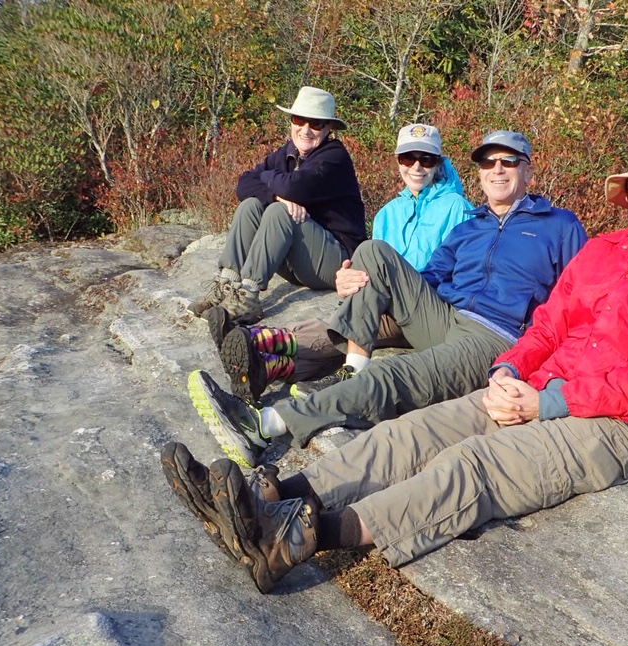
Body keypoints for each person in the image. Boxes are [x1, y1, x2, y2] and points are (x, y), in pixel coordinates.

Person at [160, 135, 628, 593]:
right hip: (534, 384)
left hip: (619, 424)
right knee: (411, 433)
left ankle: (294, 538)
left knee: (473, 464)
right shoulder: (601, 250)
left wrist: (548, 402)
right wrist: (509, 371)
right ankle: (267, 497)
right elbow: (549, 325)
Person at [190, 130, 588, 468]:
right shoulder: (471, 225)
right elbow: (429, 277)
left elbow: (580, 304)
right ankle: (351, 367)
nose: (497, 169)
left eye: (509, 161)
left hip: (494, 336)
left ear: (528, 171)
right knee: (373, 252)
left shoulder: (560, 226)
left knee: (395, 374)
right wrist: (362, 283)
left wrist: (550, 375)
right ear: (480, 172)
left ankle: (264, 426)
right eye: (488, 162)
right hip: (445, 315)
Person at [205, 123, 473, 402]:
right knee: (341, 325)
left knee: (352, 316)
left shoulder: (457, 207)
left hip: (428, 310)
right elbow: (374, 272)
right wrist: (351, 279)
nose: (416, 167)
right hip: (388, 307)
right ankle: (268, 366)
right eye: (408, 158)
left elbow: (460, 275)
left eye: (426, 159)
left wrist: (391, 286)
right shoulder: (388, 213)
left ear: (438, 163)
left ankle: (263, 342)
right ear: (398, 161)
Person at [190, 86, 365, 324]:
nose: (306, 130)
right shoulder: (287, 152)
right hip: (298, 261)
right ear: (291, 121)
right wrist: (275, 195)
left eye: (315, 124)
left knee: (279, 211)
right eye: (299, 120)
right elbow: (244, 184)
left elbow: (293, 188)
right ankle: (226, 284)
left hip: (336, 262)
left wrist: (268, 179)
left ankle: (248, 296)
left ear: (328, 129)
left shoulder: (335, 157)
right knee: (251, 206)